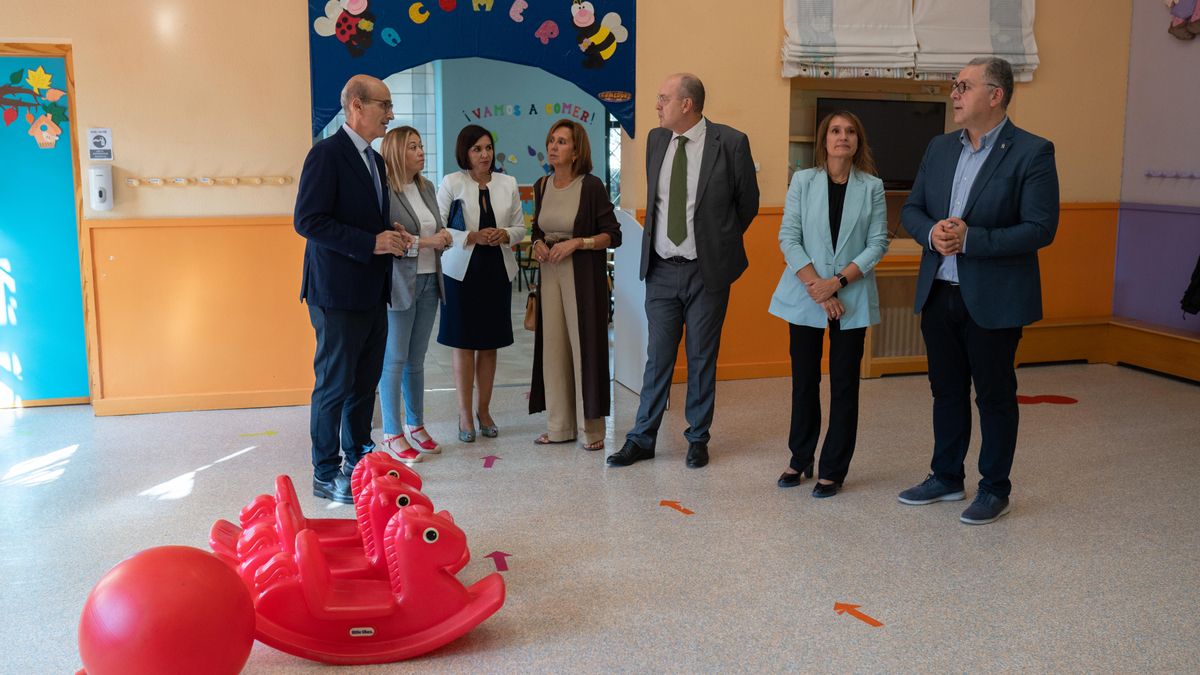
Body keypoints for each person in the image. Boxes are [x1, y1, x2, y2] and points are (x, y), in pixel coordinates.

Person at [899, 56, 1059, 525]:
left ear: (996, 95)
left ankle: (994, 487)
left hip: (995, 299)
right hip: (939, 292)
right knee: (945, 392)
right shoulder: (939, 147)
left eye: (964, 86)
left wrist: (972, 239)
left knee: (993, 395)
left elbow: (1040, 228)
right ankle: (946, 476)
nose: (954, 93)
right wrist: (931, 234)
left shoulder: (1033, 151)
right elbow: (912, 208)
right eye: (955, 85)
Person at [607, 73, 760, 469]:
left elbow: (748, 206)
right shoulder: (657, 141)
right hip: (659, 270)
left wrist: (718, 243)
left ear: (686, 104)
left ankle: (697, 438)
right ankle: (642, 438)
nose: (657, 105)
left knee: (701, 356)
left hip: (705, 272)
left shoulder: (730, 142)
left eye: (663, 98)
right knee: (657, 358)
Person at [294, 74, 409, 503]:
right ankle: (324, 473)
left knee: (365, 382)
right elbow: (308, 221)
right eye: (384, 105)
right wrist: (370, 241)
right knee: (334, 383)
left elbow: (359, 219)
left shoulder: (375, 161)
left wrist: (388, 231)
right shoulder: (326, 155)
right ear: (356, 106)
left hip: (371, 288)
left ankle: (359, 461)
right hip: (336, 293)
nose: (390, 115)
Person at [767, 111, 889, 498]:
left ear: (858, 142)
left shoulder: (872, 187)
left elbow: (878, 243)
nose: (843, 137)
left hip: (848, 298)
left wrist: (836, 284)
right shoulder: (803, 182)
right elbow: (788, 237)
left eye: (851, 132)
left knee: (844, 385)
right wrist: (817, 288)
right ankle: (800, 457)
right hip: (806, 297)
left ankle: (833, 468)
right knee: (804, 381)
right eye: (835, 131)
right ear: (824, 140)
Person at [528, 119, 622, 451]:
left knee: (585, 347)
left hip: (582, 275)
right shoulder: (542, 185)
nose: (553, 147)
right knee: (553, 348)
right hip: (549, 274)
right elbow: (538, 230)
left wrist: (576, 243)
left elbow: (613, 235)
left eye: (562, 142)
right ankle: (559, 427)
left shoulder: (591, 186)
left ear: (577, 150)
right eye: (551, 140)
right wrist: (536, 244)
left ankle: (591, 430)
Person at [436, 125, 526, 442]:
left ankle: (484, 410)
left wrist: (505, 234)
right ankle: (464, 414)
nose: (484, 154)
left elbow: (520, 228)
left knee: (489, 344)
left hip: (496, 270)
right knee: (463, 343)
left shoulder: (507, 183)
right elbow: (440, 228)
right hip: (460, 271)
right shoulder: (451, 182)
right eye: (477, 149)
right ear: (466, 152)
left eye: (488, 147)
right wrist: (471, 236)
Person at [377, 126, 453, 465]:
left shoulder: (426, 187)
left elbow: (431, 230)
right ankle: (392, 433)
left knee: (416, 360)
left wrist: (443, 236)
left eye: (421, 146)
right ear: (396, 152)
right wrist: (427, 242)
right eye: (412, 147)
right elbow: (391, 240)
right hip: (399, 283)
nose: (421, 152)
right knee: (394, 359)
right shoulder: (385, 192)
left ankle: (416, 424)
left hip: (428, 281)